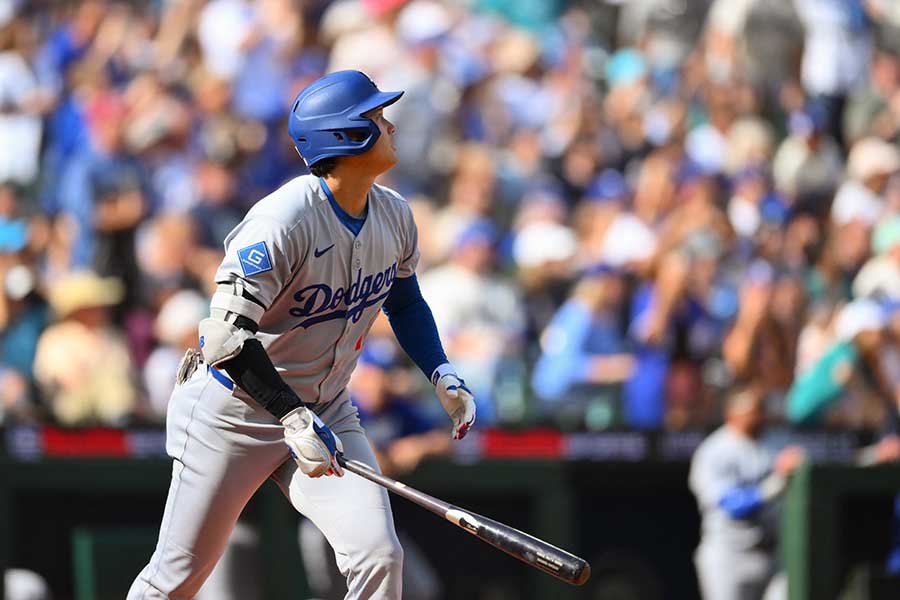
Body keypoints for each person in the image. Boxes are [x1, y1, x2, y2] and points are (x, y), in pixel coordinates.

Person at [127, 70, 476, 600]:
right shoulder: (283, 219)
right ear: (346, 137)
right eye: (376, 117)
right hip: (235, 412)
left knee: (379, 554)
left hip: (328, 408)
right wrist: (289, 414)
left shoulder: (395, 214)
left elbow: (404, 302)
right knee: (176, 579)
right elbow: (223, 340)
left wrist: (440, 370)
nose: (390, 124)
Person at [689, 387, 806, 600]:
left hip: (773, 555)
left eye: (760, 409)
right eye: (752, 410)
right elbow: (732, 506)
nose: (759, 415)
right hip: (730, 557)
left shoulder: (774, 443)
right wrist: (775, 484)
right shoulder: (714, 451)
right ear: (732, 413)